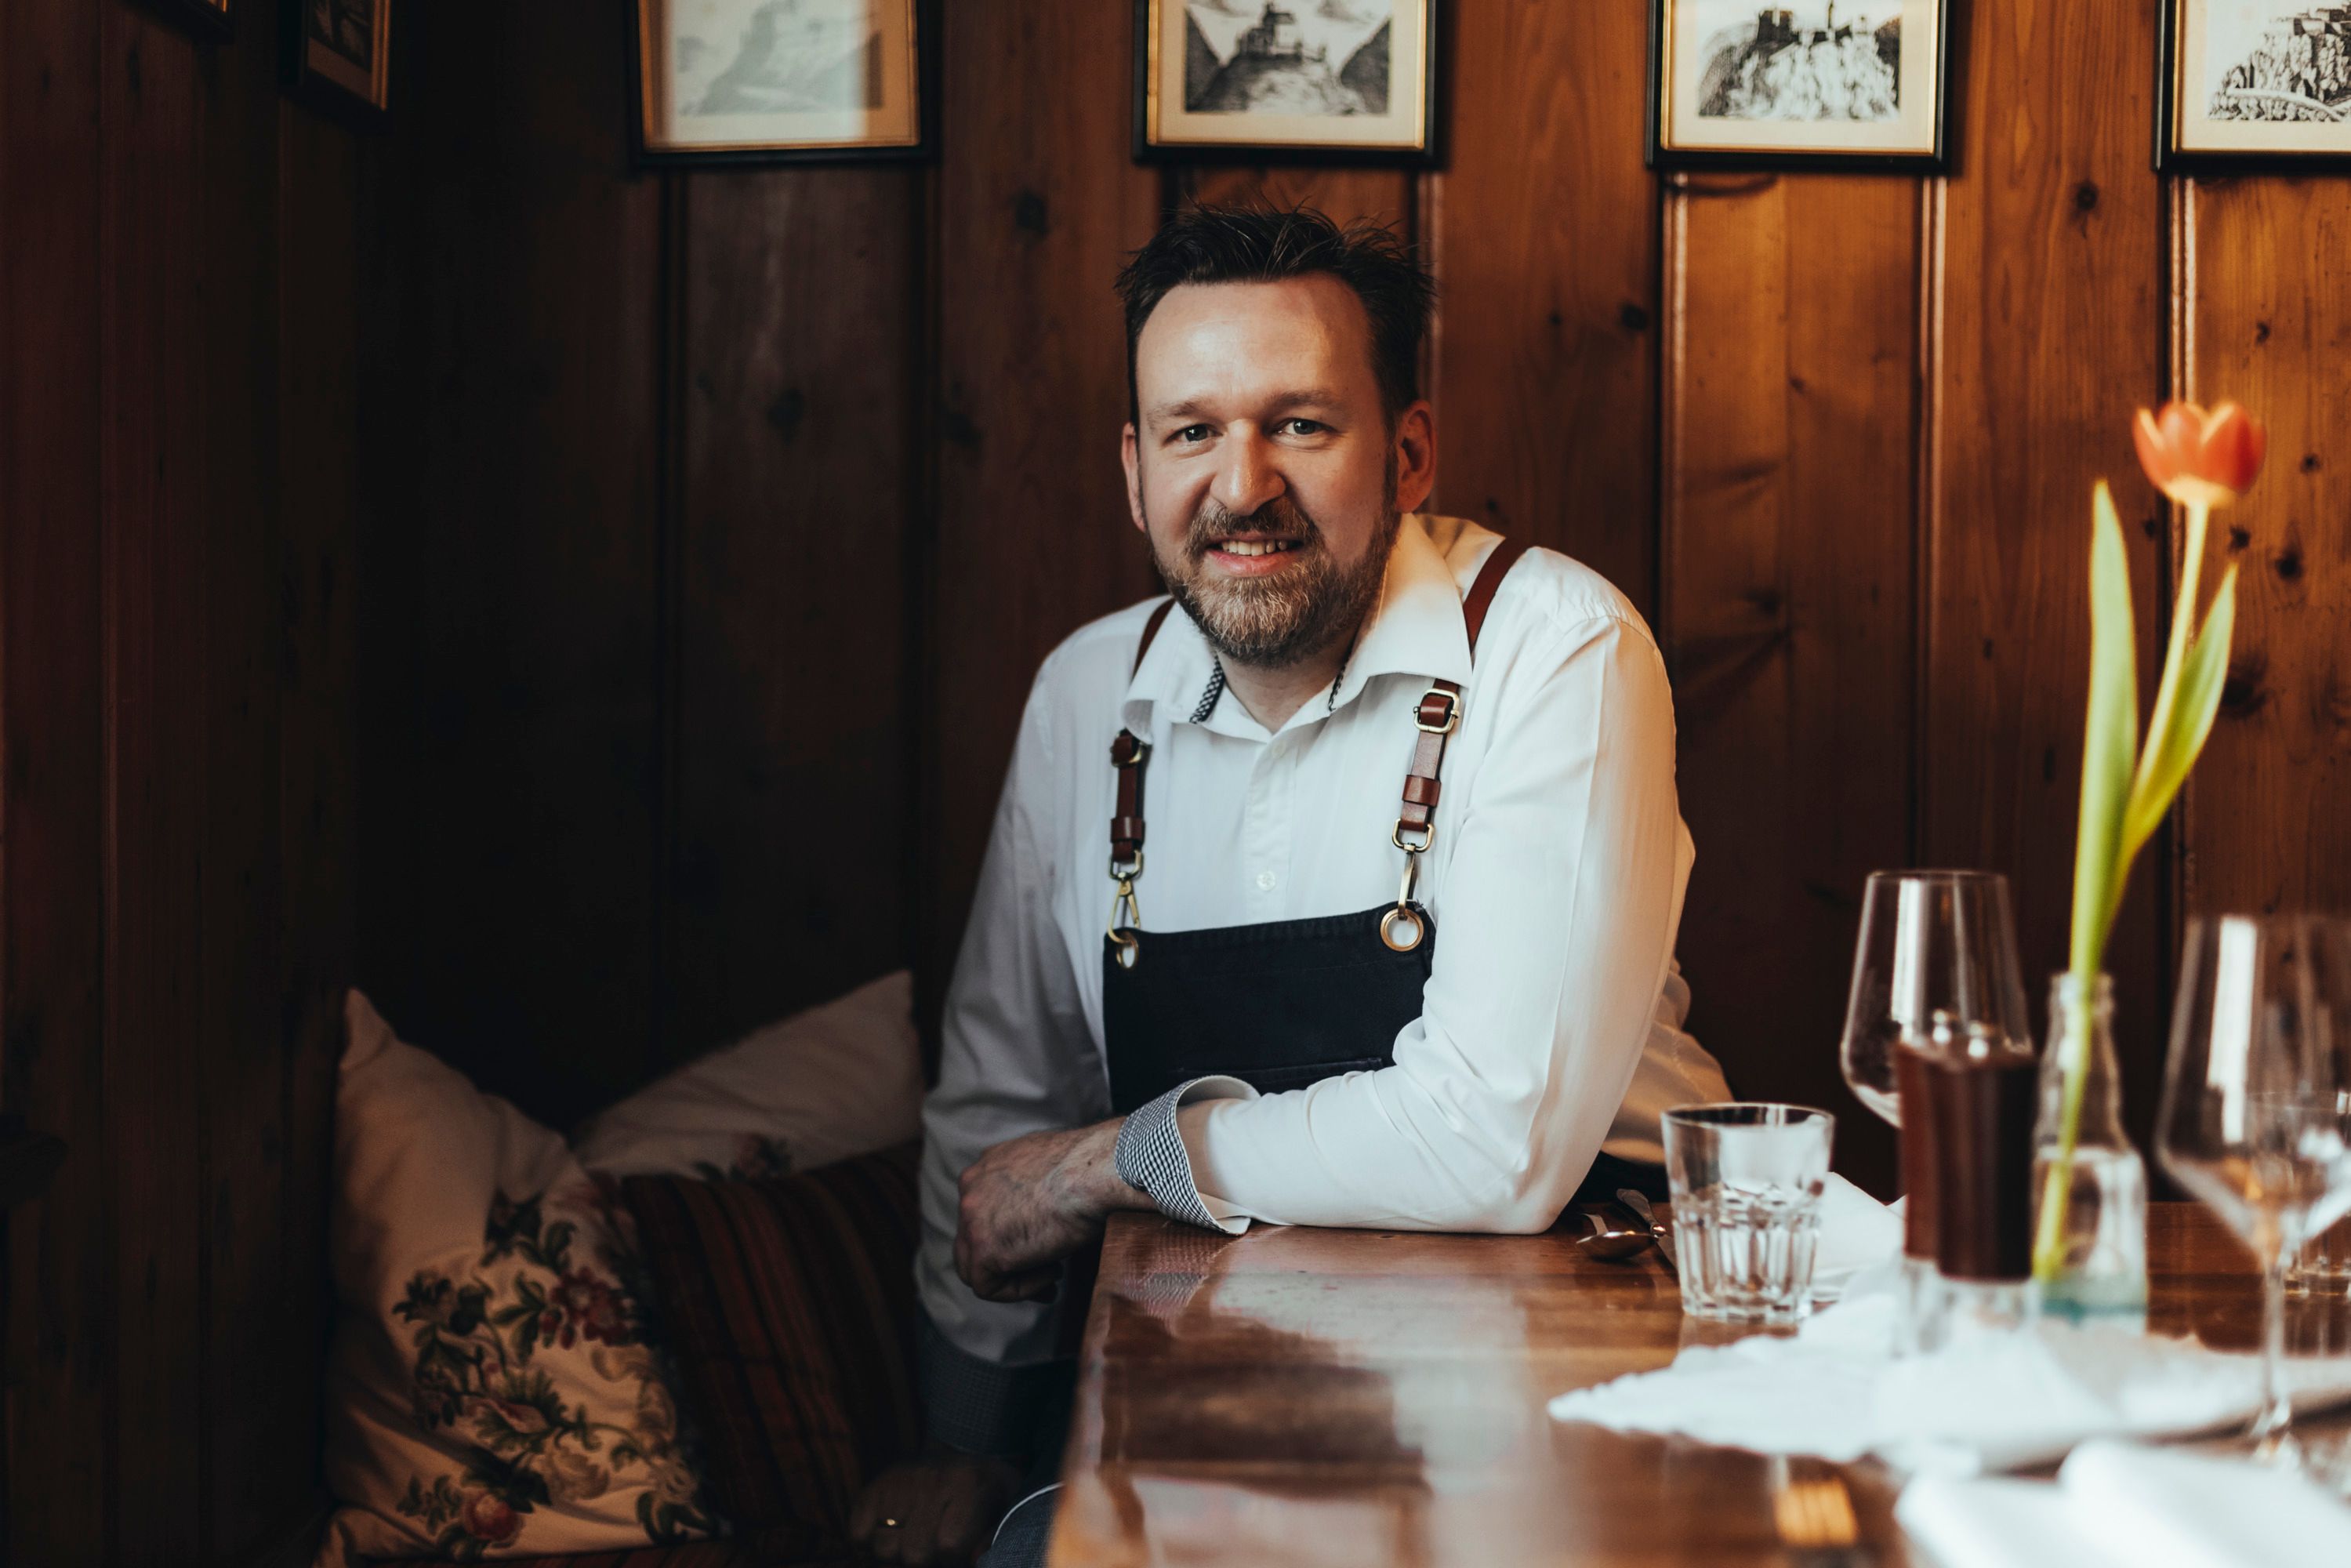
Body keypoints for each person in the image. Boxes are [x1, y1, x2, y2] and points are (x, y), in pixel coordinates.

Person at [851, 205, 1729, 1566]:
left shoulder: (1559, 645)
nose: (1242, 485)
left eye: (1301, 425)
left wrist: (1109, 1163)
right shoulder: (1088, 694)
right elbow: (998, 1116)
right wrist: (966, 1439)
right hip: (1205, 1421)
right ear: (1134, 472)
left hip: (1586, 1388)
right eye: (1193, 432)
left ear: (1411, 452)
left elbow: (1493, 1144)